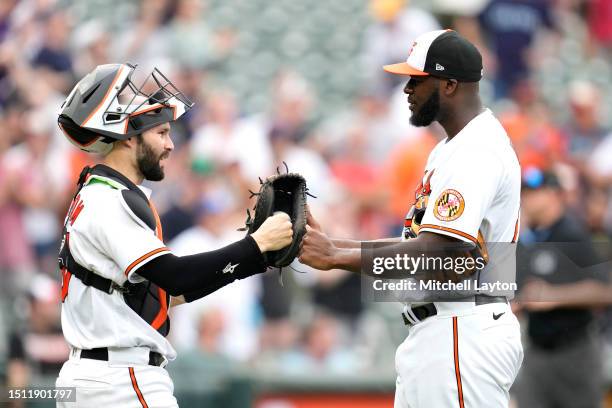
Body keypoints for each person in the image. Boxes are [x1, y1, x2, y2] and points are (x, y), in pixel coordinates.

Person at [299, 29, 523, 407]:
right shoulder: (451, 148)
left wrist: (337, 257)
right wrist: (334, 246)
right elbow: (420, 246)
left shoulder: (476, 151)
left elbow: (444, 255)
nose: (406, 90)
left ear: (449, 85)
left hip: (461, 330)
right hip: (443, 331)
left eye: (417, 80)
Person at [54, 63, 293, 407]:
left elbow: (161, 294)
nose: (170, 145)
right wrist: (255, 245)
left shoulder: (99, 193)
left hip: (98, 375)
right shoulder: (109, 200)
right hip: (122, 380)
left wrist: (255, 258)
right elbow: (176, 276)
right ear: (128, 137)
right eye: (161, 133)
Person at [513, 167, 607, 407]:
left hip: (575, 352)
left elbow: (605, 290)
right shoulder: (528, 238)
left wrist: (555, 296)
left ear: (555, 195)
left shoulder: (573, 234)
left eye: (535, 192)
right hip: (536, 352)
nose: (527, 199)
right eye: (525, 193)